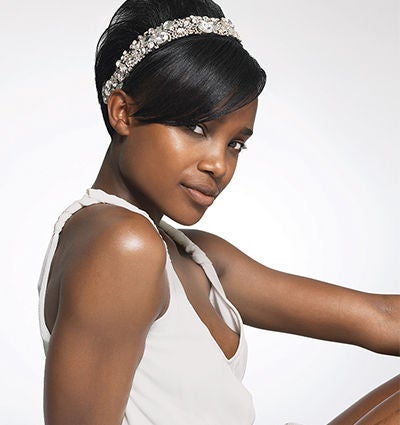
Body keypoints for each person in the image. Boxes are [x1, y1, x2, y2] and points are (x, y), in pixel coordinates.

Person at [37, 0, 399, 424]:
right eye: (196, 128)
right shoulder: (122, 245)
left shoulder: (195, 256)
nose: (218, 165)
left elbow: (381, 319)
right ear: (124, 113)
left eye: (235, 144)